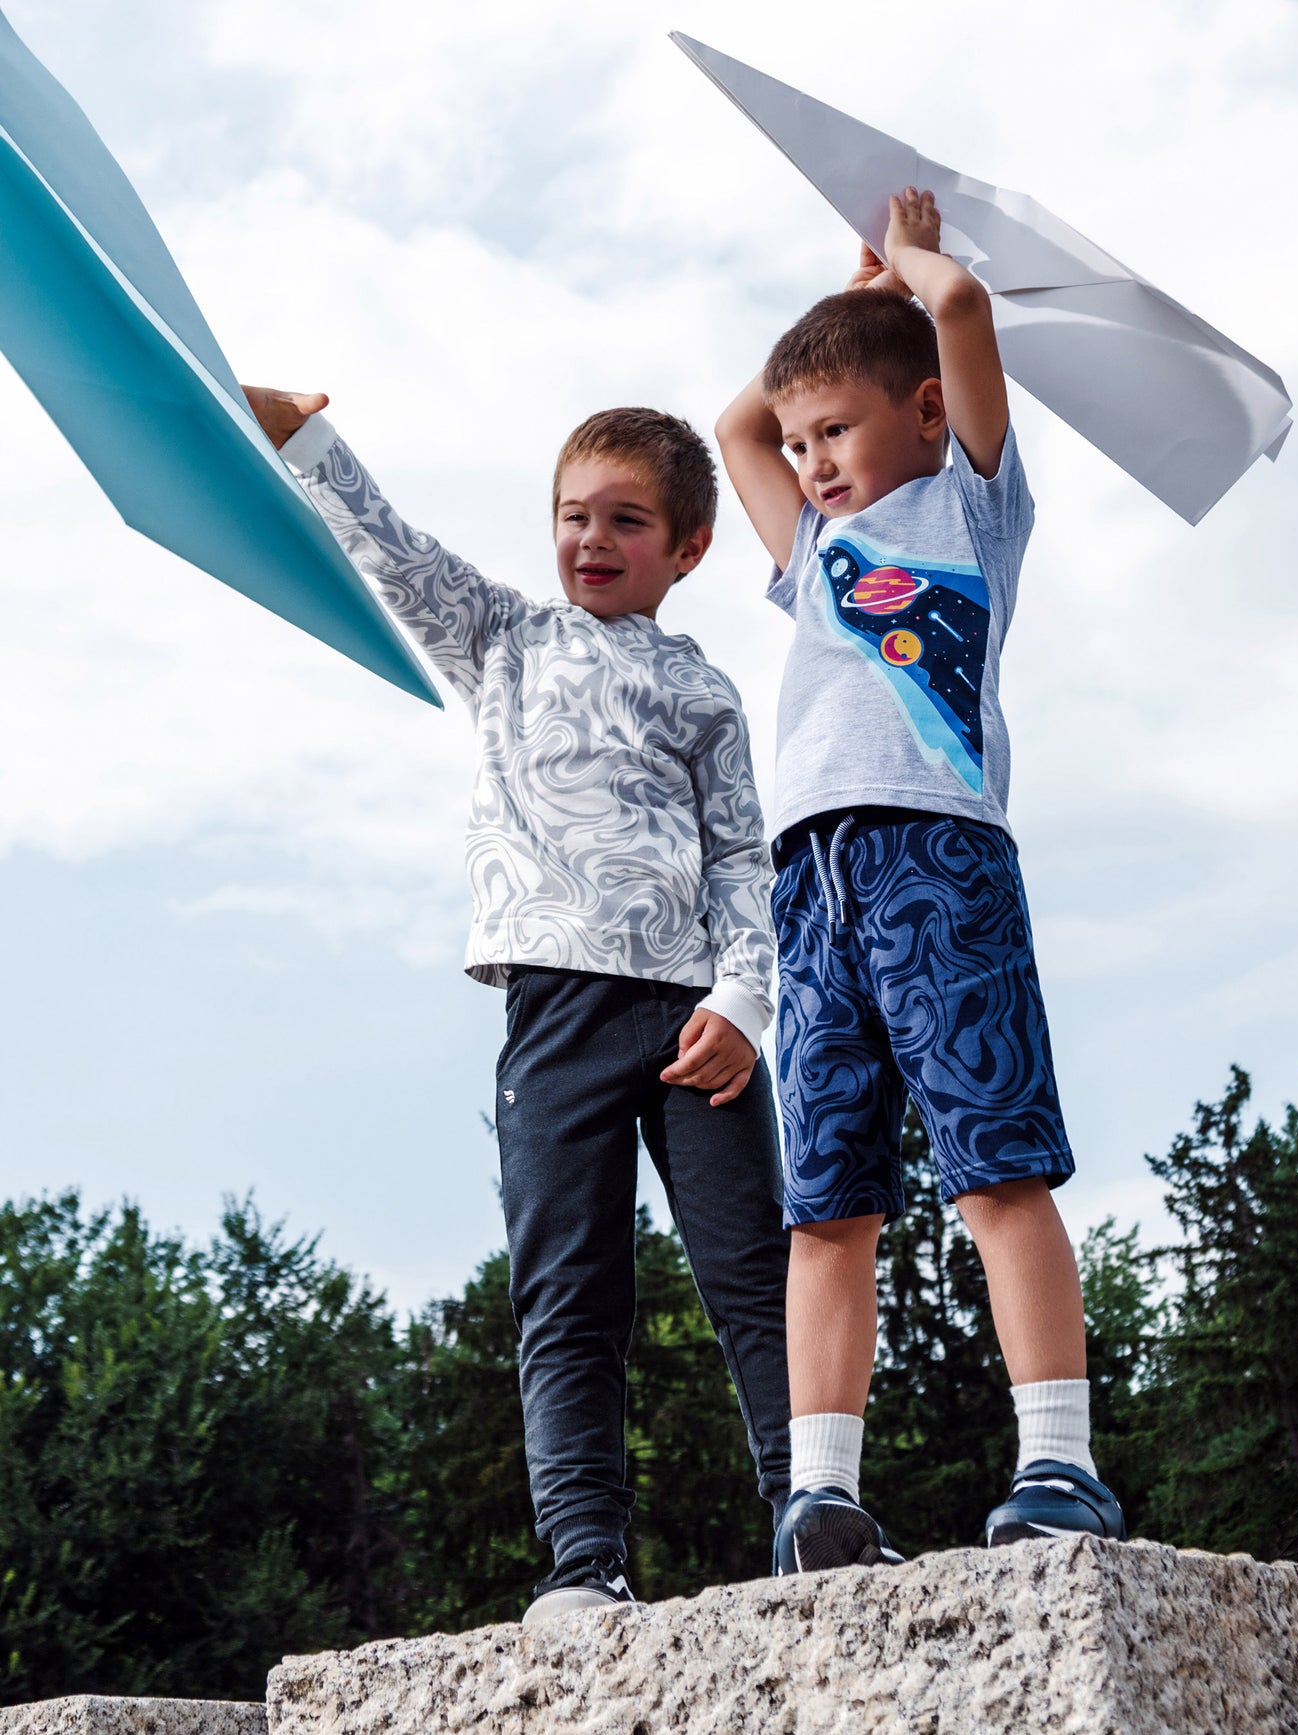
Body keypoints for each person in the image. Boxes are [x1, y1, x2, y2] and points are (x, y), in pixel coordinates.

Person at [243, 388, 792, 1621]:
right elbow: (394, 552)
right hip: (553, 1025)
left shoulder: (704, 690)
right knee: (568, 1290)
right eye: (571, 515)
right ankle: (584, 1559)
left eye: (626, 521)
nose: (591, 538)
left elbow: (741, 860)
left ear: (688, 547)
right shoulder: (503, 639)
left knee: (753, 1270)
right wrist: (306, 440)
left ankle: (808, 1511)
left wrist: (744, 1002)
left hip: (696, 1021)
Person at [714, 186, 1126, 1573]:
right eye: (804, 442)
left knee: (994, 1166)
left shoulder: (971, 510)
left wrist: (901, 272)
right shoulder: (812, 555)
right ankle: (820, 1494)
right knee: (825, 1200)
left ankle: (1057, 1461)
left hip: (934, 858)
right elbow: (733, 427)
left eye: (836, 430)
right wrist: (841, 304)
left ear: (927, 414)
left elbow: (957, 307)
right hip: (810, 877)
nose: (810, 459)